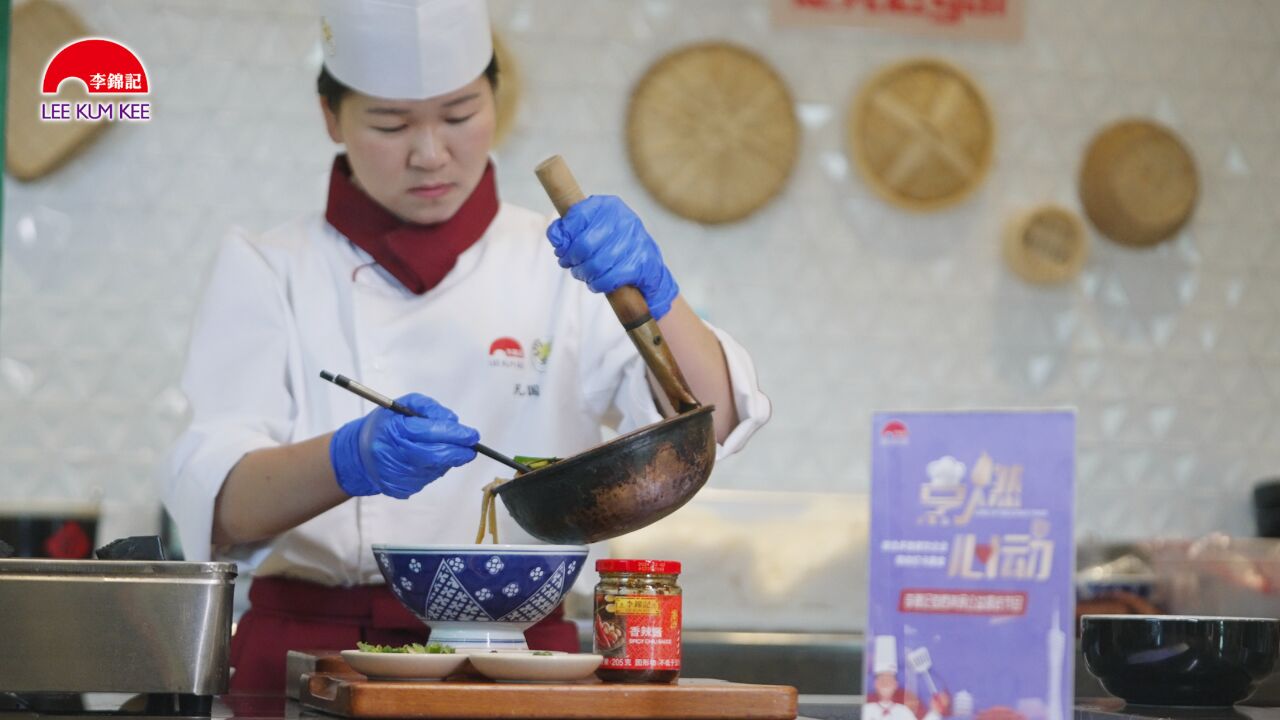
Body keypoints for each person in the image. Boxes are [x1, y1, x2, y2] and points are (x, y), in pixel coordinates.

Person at [162, 0, 770, 694]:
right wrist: (349, 459)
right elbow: (221, 504)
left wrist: (658, 294)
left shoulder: (561, 262)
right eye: (390, 123)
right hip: (314, 655)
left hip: (525, 665)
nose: (430, 153)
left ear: (495, 99)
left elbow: (712, 424)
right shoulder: (270, 265)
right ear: (331, 116)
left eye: (458, 115)